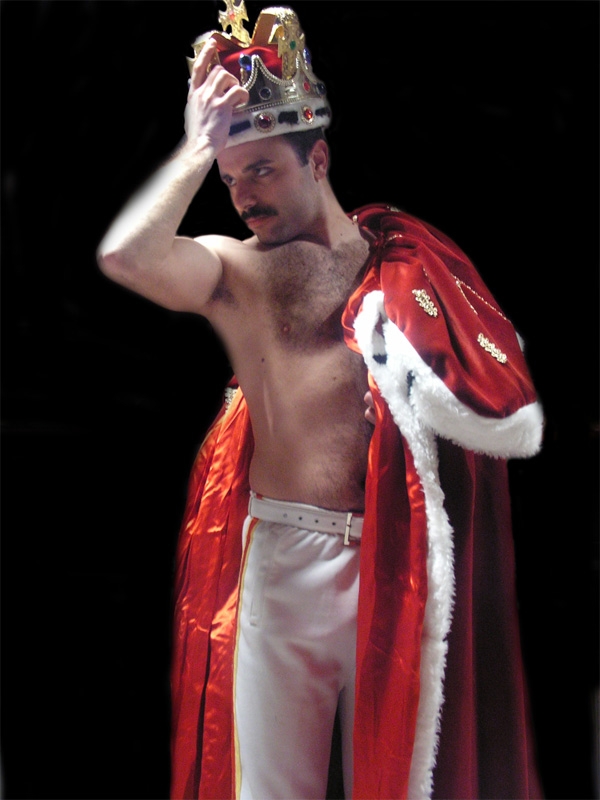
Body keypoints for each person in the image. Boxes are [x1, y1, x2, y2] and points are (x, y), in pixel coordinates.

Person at [97, 4, 545, 798]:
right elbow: (124, 257)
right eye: (231, 181)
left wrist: (415, 420)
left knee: (406, 784)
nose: (243, 196)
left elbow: (484, 391)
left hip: (392, 558)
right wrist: (198, 149)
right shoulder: (235, 271)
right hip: (283, 560)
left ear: (319, 159)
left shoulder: (409, 267)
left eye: (261, 170)